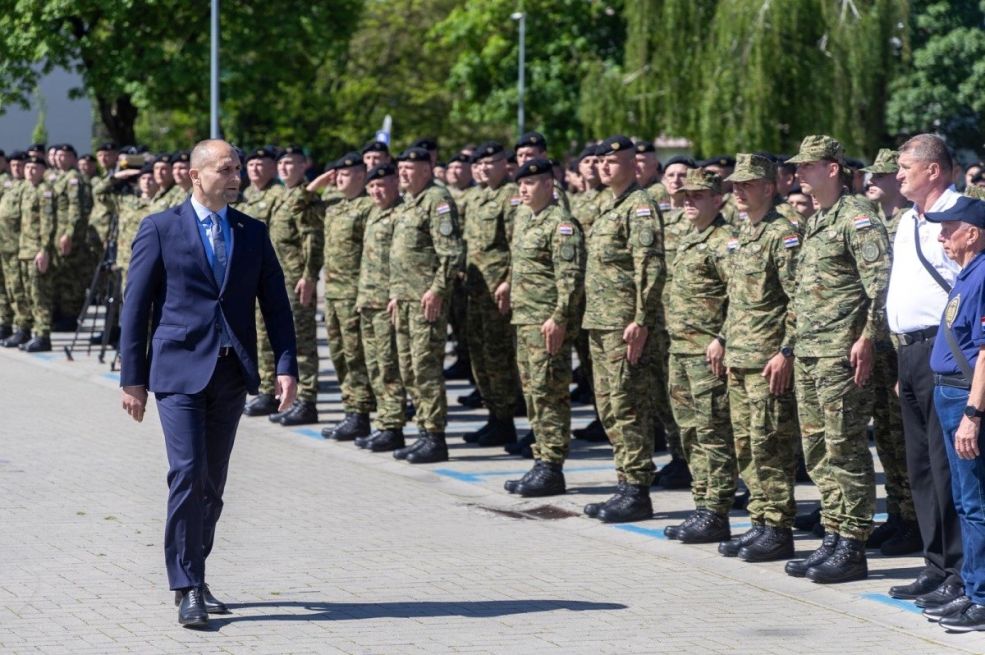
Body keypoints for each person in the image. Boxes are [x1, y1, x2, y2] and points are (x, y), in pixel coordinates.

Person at [118, 139, 298, 628]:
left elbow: (276, 305)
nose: (235, 176)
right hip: (178, 372)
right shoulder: (160, 228)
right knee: (188, 473)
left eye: (237, 168)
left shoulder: (252, 232)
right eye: (225, 169)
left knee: (213, 485)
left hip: (230, 372)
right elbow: (136, 308)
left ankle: (197, 571)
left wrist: (287, 367)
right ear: (196, 175)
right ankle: (186, 586)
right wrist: (132, 379)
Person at [784, 135, 889, 584]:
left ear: (831, 169)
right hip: (811, 352)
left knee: (845, 449)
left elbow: (880, 286)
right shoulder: (816, 220)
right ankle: (832, 534)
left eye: (807, 167)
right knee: (817, 451)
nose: (798, 174)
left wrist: (867, 339)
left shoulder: (857, 218)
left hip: (841, 355)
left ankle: (853, 545)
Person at [885, 134, 965, 607]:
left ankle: (959, 569)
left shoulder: (961, 216)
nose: (898, 175)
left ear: (932, 170)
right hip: (911, 352)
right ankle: (935, 563)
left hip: (946, 350)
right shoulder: (904, 221)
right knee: (920, 467)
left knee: (947, 465)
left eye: (904, 167)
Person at [717, 153, 800, 561]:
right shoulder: (744, 233)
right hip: (739, 357)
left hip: (767, 361)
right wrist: (721, 338)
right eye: (734, 184)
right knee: (746, 446)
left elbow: (797, 300)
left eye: (746, 184)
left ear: (769, 187)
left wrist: (786, 351)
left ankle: (779, 527)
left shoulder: (781, 234)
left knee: (771, 444)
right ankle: (759, 521)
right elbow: (738, 300)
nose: (737, 191)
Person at [580, 135, 664, 523]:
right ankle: (624, 481)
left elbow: (649, 266)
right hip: (600, 321)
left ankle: (636, 490)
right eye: (602, 161)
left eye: (614, 161)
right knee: (609, 406)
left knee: (628, 404)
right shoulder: (607, 206)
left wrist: (642, 319)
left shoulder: (640, 206)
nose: (604, 166)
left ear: (633, 165)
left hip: (624, 324)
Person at [501, 158, 585, 496]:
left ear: (550, 185)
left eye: (531, 183)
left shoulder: (561, 224)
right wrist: (508, 283)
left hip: (547, 322)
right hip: (525, 320)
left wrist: (560, 317)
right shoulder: (526, 217)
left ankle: (552, 466)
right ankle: (541, 459)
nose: (523, 188)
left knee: (550, 393)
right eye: (521, 183)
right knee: (533, 393)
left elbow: (570, 277)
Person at [923, 195, 985, 630]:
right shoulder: (968, 273)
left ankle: (982, 597)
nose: (942, 236)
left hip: (965, 398)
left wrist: (973, 413)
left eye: (950, 228)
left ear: (974, 233)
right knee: (965, 502)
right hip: (948, 394)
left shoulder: (982, 275)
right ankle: (971, 586)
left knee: (976, 502)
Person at [662, 168, 734, 543]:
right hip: (680, 350)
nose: (688, 201)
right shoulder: (688, 238)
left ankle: (716, 510)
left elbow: (740, 296)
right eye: (685, 195)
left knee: (712, 432)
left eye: (698, 196)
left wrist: (722, 338)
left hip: (708, 354)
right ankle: (702, 503)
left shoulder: (724, 242)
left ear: (716, 199)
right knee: (688, 432)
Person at [389, 146, 463, 464]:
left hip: (426, 301)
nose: (403, 172)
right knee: (408, 369)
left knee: (425, 368)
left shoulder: (437, 201)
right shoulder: (409, 202)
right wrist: (395, 293)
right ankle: (423, 432)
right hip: (405, 299)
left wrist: (437, 291)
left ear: (426, 169)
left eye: (410, 167)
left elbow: (450, 253)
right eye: (401, 167)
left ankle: (435, 436)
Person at [465, 141, 520, 447]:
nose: (486, 168)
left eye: (492, 163)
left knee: (499, 357)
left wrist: (509, 281)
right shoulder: (477, 197)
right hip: (476, 291)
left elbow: (517, 243)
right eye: (481, 164)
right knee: (480, 357)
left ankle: (505, 419)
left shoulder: (509, 196)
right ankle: (494, 416)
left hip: (498, 290)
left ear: (504, 165)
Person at [266, 146, 323, 427]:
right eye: (282, 163)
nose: (285, 168)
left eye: (292, 163)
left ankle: (308, 400)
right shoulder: (280, 195)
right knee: (283, 342)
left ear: (304, 166)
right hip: (277, 278)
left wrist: (310, 275)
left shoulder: (307, 198)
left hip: (296, 279)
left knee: (302, 341)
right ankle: (288, 398)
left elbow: (312, 239)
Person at [320, 152, 376, 440]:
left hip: (355, 293)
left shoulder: (368, 207)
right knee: (339, 355)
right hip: (332, 294)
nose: (338, 178)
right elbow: (300, 203)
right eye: (336, 174)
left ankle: (361, 413)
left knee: (356, 356)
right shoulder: (335, 206)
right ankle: (349, 409)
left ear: (360, 175)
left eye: (344, 173)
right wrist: (323, 180)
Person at [354, 162, 408, 452]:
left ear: (395, 183)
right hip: (368, 300)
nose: (376, 190)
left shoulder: (402, 214)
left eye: (382, 184)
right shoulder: (373, 212)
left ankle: (393, 426)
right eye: (372, 185)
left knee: (389, 366)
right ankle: (384, 421)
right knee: (374, 364)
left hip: (389, 301)